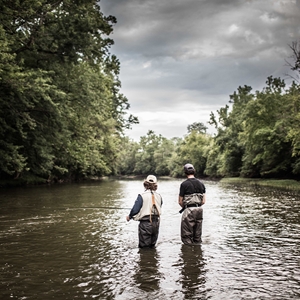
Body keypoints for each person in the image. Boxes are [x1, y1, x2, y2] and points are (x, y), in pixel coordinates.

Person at [126, 175, 163, 248]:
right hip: (156, 224)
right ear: (155, 184)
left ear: (145, 184)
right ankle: (152, 259)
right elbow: (160, 206)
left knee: (144, 248)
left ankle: (146, 259)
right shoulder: (159, 196)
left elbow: (135, 210)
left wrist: (129, 216)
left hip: (145, 224)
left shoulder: (141, 195)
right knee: (152, 246)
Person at [178, 163, 206, 244]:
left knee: (186, 235)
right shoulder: (201, 184)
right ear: (194, 171)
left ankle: (188, 254)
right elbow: (203, 201)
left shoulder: (184, 184)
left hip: (189, 210)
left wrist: (186, 207)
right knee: (197, 235)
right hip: (199, 210)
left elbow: (180, 201)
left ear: (185, 172)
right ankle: (197, 253)